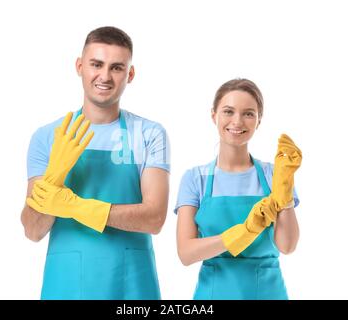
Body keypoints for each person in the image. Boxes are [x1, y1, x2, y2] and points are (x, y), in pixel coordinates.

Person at [21, 26, 170, 300]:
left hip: (131, 284)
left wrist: (75, 206)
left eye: (116, 67)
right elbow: (32, 230)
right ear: (80, 66)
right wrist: (55, 176)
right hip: (66, 283)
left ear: (130, 74)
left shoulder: (149, 134)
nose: (105, 76)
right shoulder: (47, 137)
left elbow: (155, 218)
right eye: (96, 64)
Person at [175, 78, 301, 300]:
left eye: (248, 113)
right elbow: (186, 253)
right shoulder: (195, 179)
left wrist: (285, 193)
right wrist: (243, 233)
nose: (237, 121)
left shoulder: (275, 175)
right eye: (228, 111)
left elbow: (287, 246)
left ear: (258, 120)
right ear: (214, 115)